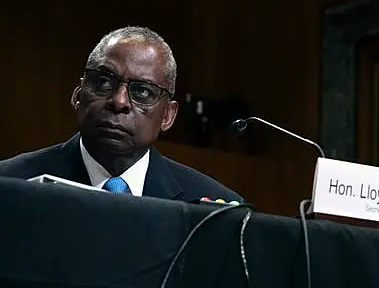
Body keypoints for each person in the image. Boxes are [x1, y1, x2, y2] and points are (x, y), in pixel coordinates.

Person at [0, 26, 243, 203]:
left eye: (142, 91)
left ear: (168, 116)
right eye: (104, 82)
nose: (119, 101)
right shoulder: (10, 184)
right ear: (77, 95)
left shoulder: (214, 210)